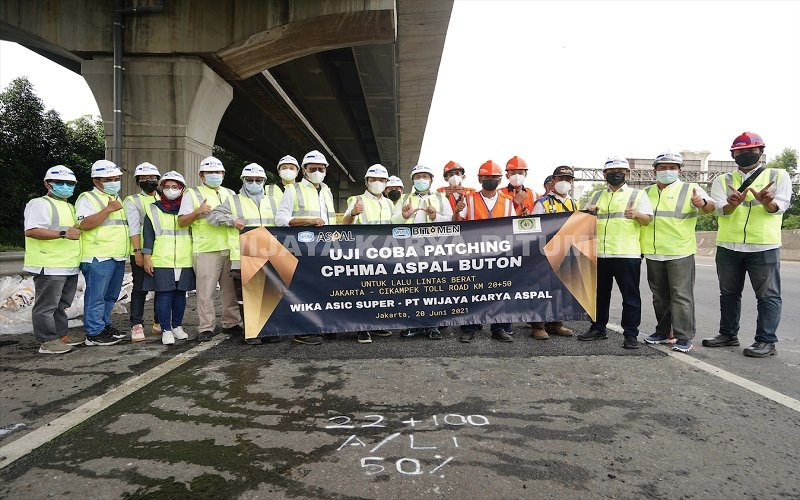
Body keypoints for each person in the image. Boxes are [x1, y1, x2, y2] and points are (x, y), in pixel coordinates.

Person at [703, 132, 791, 358]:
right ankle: (727, 334)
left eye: (751, 150)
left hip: (763, 246)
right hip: (728, 246)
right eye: (740, 151)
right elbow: (720, 211)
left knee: (768, 295)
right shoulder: (723, 180)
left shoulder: (778, 175)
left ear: (761, 152)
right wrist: (732, 204)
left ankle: (766, 341)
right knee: (728, 293)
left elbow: (779, 208)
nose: (746, 154)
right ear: (733, 154)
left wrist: (767, 202)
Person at [641, 151, 715, 353]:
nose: (667, 171)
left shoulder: (690, 188)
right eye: (663, 167)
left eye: (672, 167)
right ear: (654, 170)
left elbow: (711, 207)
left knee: (681, 295)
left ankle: (684, 336)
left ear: (680, 170)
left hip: (679, 251)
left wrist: (703, 204)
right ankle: (663, 332)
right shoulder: (646, 192)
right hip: (653, 252)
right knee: (659, 296)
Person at [578, 157, 653, 349]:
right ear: (604, 175)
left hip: (626, 253)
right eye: (611, 171)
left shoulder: (638, 194)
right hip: (600, 253)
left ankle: (630, 334)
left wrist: (636, 214)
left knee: (630, 297)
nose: (616, 174)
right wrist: (588, 213)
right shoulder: (596, 196)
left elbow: (648, 219)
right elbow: (583, 221)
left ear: (627, 174)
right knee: (599, 295)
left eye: (620, 170)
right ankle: (598, 328)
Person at [207, 163, 283, 345]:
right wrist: (232, 220)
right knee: (245, 297)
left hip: (268, 255)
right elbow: (213, 216)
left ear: (264, 181)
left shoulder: (273, 201)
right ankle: (252, 332)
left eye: (258, 180)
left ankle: (269, 329)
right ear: (243, 181)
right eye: (250, 180)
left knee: (269, 294)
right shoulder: (234, 200)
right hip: (242, 258)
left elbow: (283, 221)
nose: (254, 183)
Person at [275, 149, 337, 345]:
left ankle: (322, 324)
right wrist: (308, 221)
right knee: (303, 289)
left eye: (321, 168)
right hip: (301, 247)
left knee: (322, 287)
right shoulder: (292, 190)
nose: (317, 171)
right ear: (304, 170)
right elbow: (280, 219)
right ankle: (302, 330)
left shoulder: (326, 191)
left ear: (326, 170)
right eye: (313, 168)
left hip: (325, 247)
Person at [178, 156, 241, 342]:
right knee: (206, 291)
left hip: (230, 248)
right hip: (206, 249)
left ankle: (231, 323)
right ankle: (206, 327)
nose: (215, 175)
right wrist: (198, 211)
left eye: (218, 172)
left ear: (223, 174)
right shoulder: (192, 194)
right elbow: (182, 221)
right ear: (201, 175)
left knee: (230, 290)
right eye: (210, 172)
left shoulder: (231, 193)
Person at [24, 166, 84, 354]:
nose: (66, 186)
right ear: (47, 184)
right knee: (46, 306)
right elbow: (31, 230)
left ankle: (61, 335)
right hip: (49, 265)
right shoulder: (39, 204)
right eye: (60, 183)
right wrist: (64, 233)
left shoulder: (70, 206)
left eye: (70, 183)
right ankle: (47, 341)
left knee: (61, 304)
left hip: (68, 265)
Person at [454, 160, 515, 343]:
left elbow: (513, 227)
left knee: (499, 291)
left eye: (494, 177)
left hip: (499, 254)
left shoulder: (507, 202)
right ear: (480, 179)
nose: (490, 179)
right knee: (472, 289)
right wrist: (457, 212)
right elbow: (457, 223)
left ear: (500, 179)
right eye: (487, 177)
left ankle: (498, 328)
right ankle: (469, 327)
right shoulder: (469, 199)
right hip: (474, 253)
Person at [392, 164, 454, 340]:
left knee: (434, 288)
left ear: (431, 180)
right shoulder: (404, 199)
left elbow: (450, 222)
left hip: (435, 249)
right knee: (411, 289)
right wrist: (404, 216)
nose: (421, 180)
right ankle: (414, 325)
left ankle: (433, 325)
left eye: (425, 176)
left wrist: (435, 217)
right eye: (418, 177)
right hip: (409, 249)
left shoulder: (441, 198)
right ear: (412, 180)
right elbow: (392, 221)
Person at [76, 159, 128, 346]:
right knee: (96, 296)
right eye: (109, 179)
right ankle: (94, 333)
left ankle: (104, 325)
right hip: (98, 256)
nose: (114, 182)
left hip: (117, 255)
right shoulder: (87, 198)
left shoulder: (116, 198)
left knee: (110, 296)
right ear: (96, 181)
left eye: (116, 178)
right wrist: (108, 209)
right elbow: (85, 224)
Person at [342, 164, 395, 344]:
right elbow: (345, 224)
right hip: (362, 252)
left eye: (381, 180)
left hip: (384, 253)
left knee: (379, 291)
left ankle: (377, 324)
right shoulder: (356, 199)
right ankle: (362, 328)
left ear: (386, 183)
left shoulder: (389, 203)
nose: (377, 183)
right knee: (362, 291)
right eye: (373, 180)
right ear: (366, 182)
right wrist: (353, 214)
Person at [141, 171, 194, 345]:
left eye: (175, 187)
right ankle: (165, 329)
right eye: (167, 186)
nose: (171, 190)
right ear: (161, 188)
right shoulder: (153, 208)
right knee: (164, 295)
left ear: (182, 189)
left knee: (180, 295)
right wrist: (147, 256)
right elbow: (147, 235)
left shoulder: (189, 209)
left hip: (185, 258)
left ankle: (177, 326)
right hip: (162, 259)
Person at [529, 165, 580, 340]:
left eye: (568, 179)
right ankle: (538, 326)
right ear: (554, 181)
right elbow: (532, 228)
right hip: (545, 253)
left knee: (561, 289)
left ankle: (556, 323)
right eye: (561, 179)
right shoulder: (542, 203)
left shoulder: (574, 203)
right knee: (542, 290)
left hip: (566, 252)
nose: (564, 182)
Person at [123, 161, 161, 342]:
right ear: (138, 181)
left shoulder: (164, 198)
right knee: (140, 289)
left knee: (162, 288)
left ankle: (159, 321)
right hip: (142, 251)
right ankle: (136, 324)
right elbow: (134, 228)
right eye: (144, 178)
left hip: (162, 251)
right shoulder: (133, 200)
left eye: (152, 177)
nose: (149, 180)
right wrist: (138, 252)